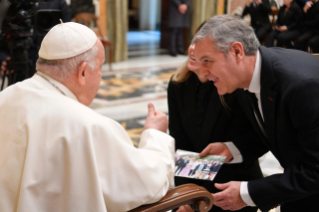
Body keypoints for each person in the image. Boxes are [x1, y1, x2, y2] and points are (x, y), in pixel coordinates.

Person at [0, 22, 175, 212]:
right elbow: (147, 184)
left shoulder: (6, 96)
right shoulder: (87, 126)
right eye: (99, 68)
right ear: (83, 72)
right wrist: (155, 135)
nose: (100, 76)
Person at [191, 14, 319, 212]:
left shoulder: (301, 86)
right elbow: (278, 129)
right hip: (300, 192)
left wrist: (249, 192)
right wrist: (232, 149)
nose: (202, 72)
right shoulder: (247, 78)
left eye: (207, 60)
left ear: (236, 51)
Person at [168, 43, 263, 212]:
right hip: (191, 180)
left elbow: (250, 144)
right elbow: (181, 144)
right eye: (193, 42)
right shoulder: (178, 83)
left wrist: (198, 200)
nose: (192, 48)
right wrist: (186, 197)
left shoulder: (235, 87)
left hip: (231, 185)